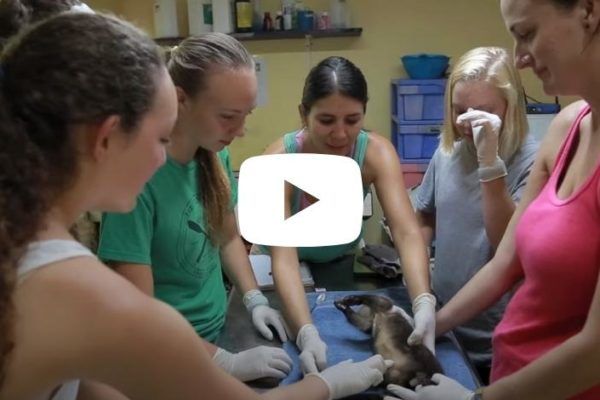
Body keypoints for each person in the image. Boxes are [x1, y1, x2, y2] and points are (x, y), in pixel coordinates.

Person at [0, 11, 390, 400]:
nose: (162, 156)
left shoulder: (29, 243)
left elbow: (91, 385)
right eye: (158, 138)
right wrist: (326, 385)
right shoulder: (79, 288)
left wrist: (252, 299)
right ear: (106, 138)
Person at [385, 0, 600, 399]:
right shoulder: (568, 127)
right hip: (509, 368)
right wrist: (434, 320)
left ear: (588, 11)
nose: (519, 59)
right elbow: (506, 262)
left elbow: (594, 350)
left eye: (527, 33)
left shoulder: (530, 153)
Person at [97, 33, 298, 383]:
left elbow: (228, 236)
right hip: (166, 350)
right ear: (180, 99)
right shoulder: (136, 179)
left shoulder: (214, 153)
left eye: (246, 115)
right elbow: (142, 315)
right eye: (228, 117)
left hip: (218, 329)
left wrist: (254, 299)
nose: (240, 130)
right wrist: (224, 363)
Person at [254, 56, 435, 374]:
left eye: (352, 120)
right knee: (290, 352)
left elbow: (406, 233)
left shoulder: (375, 154)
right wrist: (305, 333)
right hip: (276, 270)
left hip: (337, 263)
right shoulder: (277, 160)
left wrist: (423, 301)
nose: (340, 134)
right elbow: (284, 258)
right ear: (303, 114)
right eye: (326, 120)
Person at [413, 46, 538, 383]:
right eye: (459, 111)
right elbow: (425, 215)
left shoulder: (533, 162)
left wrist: (489, 163)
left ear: (510, 108)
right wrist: (419, 280)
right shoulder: (447, 149)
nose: (467, 123)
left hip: (494, 344)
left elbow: (506, 246)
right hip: (445, 330)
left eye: (481, 112)